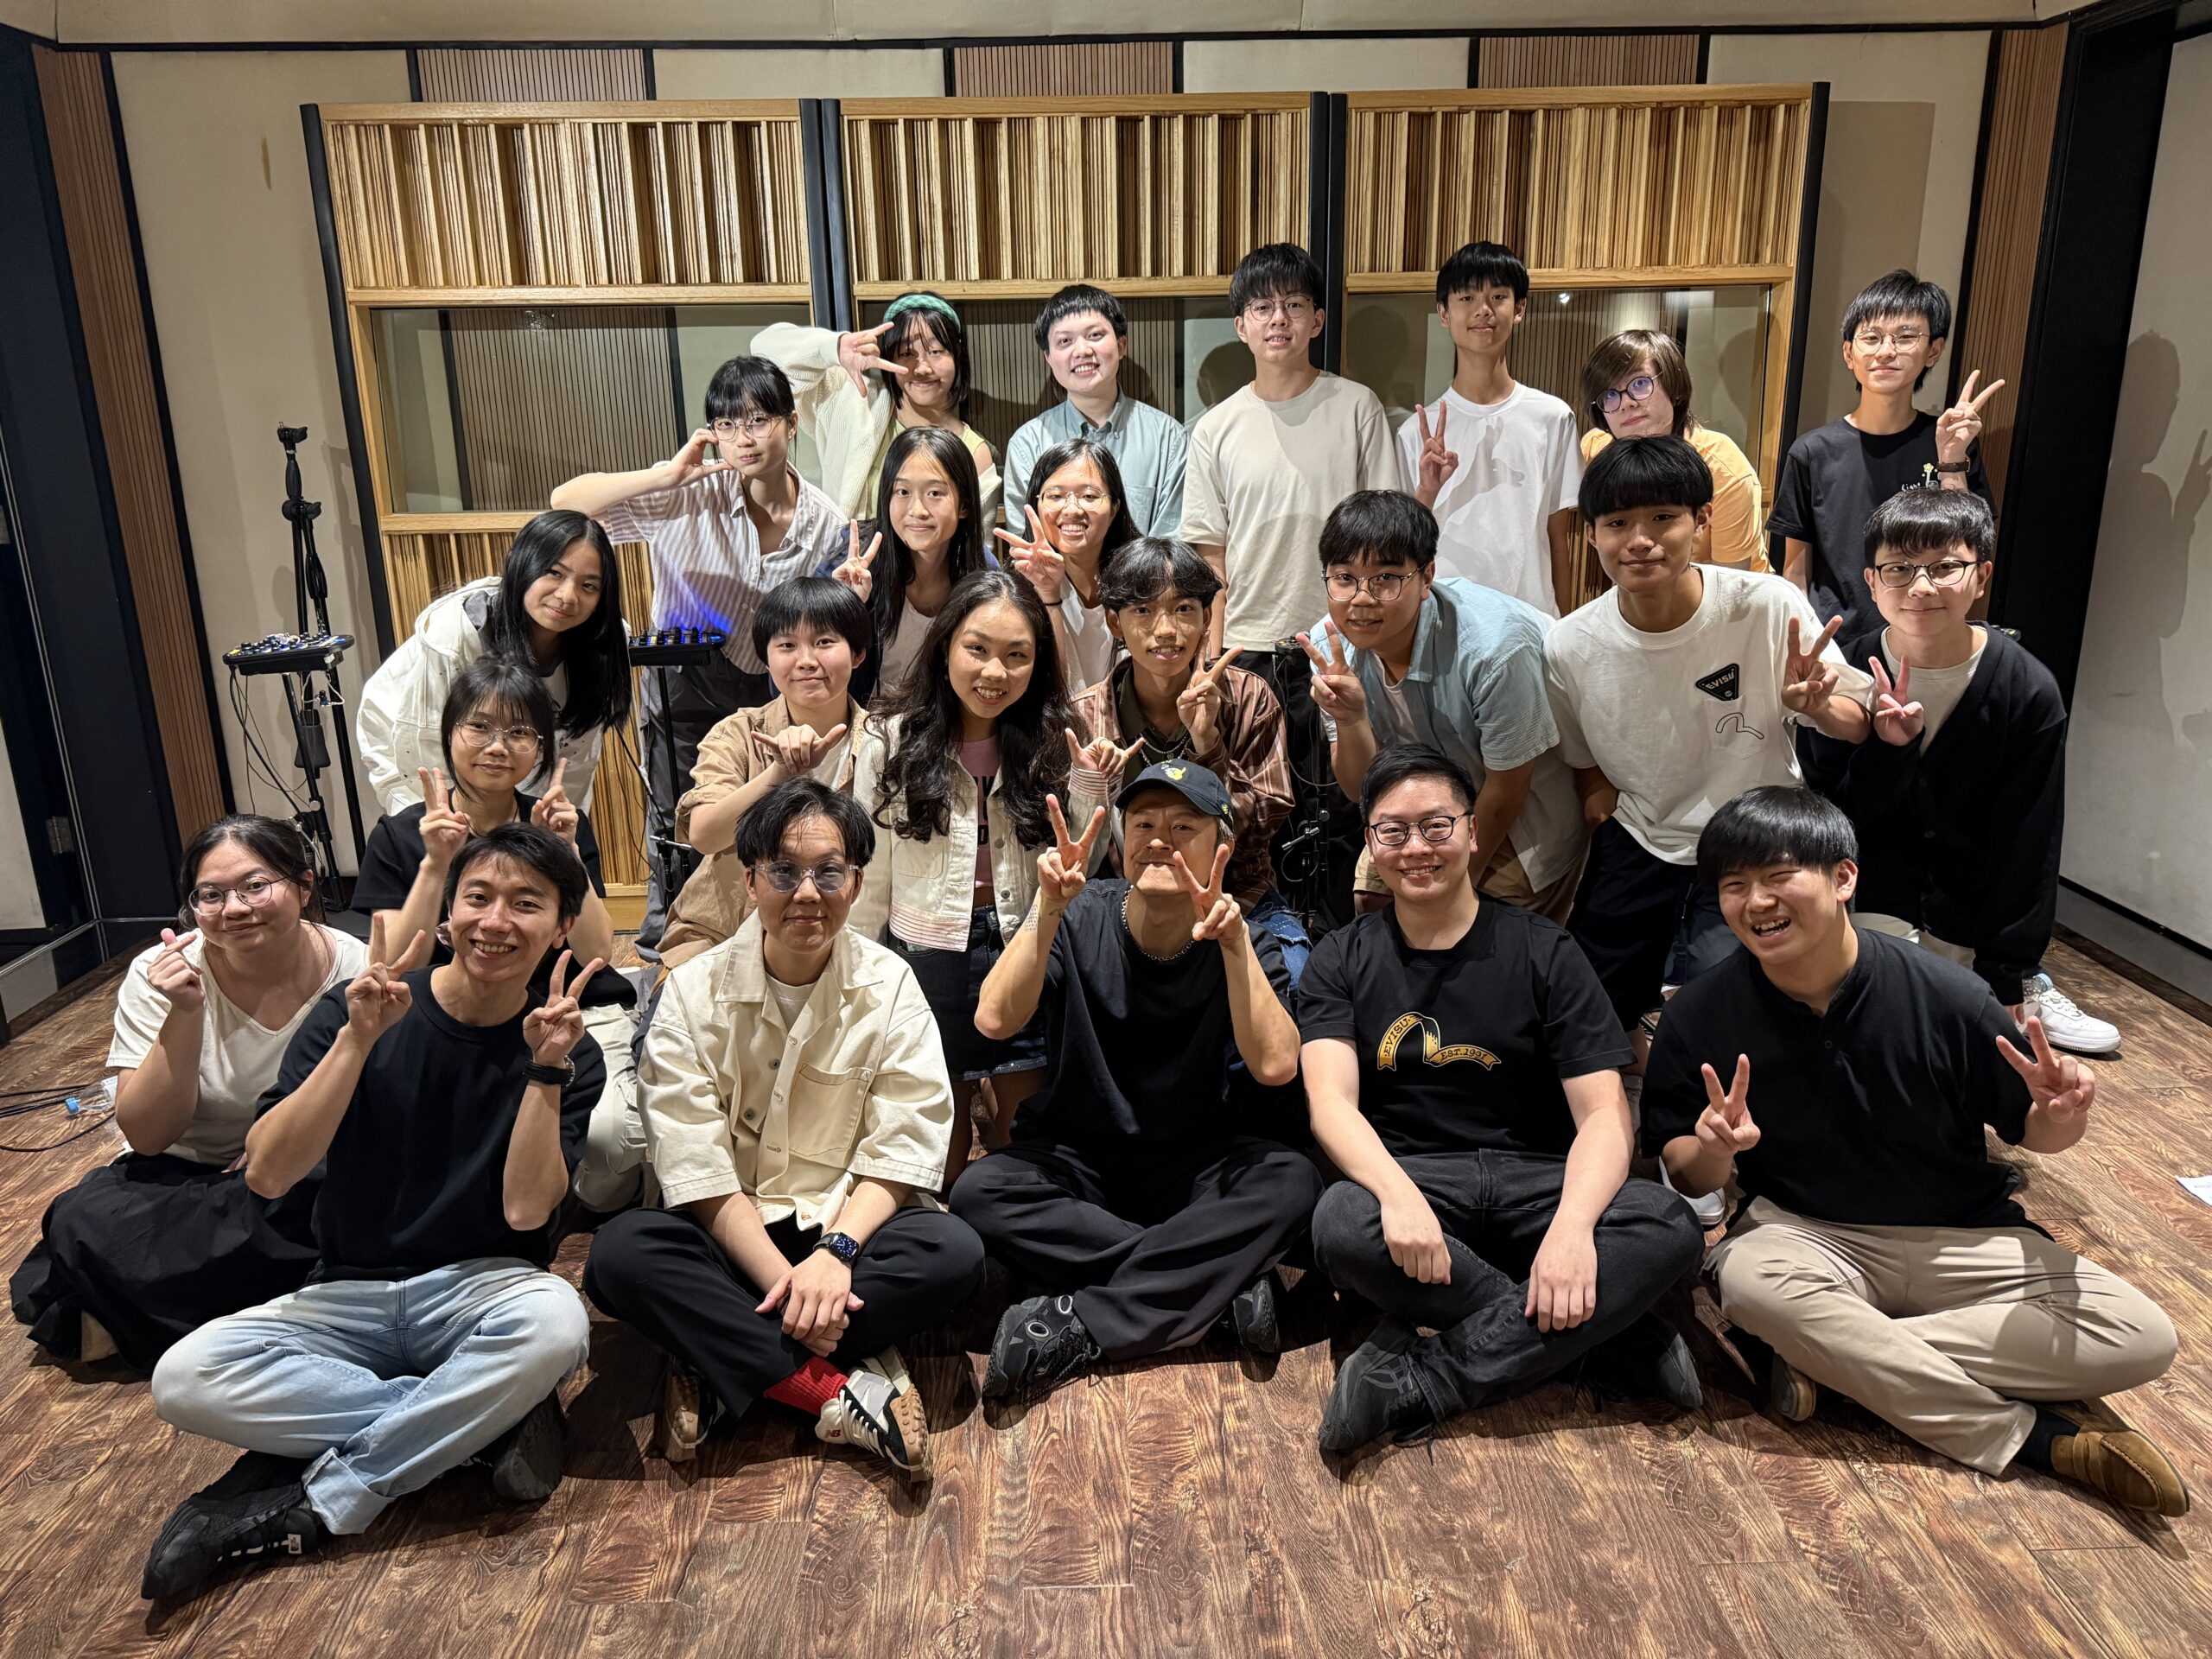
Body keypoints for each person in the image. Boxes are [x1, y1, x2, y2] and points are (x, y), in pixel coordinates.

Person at [1644, 787, 2186, 1516]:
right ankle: (2039, 1439)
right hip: (1807, 1236)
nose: (1756, 902)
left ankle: (1829, 1358)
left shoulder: (1949, 995)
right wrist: (1716, 1149)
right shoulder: (1700, 1012)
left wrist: (2061, 1116)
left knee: (2141, 1336)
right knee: (1751, 1282)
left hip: (1965, 1238)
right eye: (1733, 885)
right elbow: (1684, 1172)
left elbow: (2035, 1133)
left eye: (1778, 876)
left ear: (1844, 878)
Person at [143, 829, 610, 1599]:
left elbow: (528, 1213)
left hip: (484, 1289)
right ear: (449, 913)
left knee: (557, 1324)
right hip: (345, 1292)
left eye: (526, 904)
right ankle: (481, 1424)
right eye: (478, 897)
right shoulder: (359, 1008)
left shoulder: (567, 1049)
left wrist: (545, 1069)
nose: (496, 921)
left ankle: (321, 1499)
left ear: (562, 927)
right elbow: (268, 1173)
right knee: (184, 1378)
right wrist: (356, 1042)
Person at [1301, 747, 1704, 1454]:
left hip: (1537, 1185)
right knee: (1340, 1220)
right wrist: (1396, 1195)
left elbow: (1605, 1113)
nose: (1416, 847)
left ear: (1472, 830)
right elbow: (1331, 1104)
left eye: (1436, 825)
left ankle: (1427, 1379)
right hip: (1420, 1186)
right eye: (1393, 831)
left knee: (1667, 1222)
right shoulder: (1341, 956)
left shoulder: (1545, 950)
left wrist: (1573, 1229)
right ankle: (1608, 1339)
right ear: (1370, 843)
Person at [583, 779, 983, 1478]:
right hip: (731, 1235)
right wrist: (790, 1284)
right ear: (749, 881)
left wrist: (835, 1254)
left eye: (828, 872)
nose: (807, 893)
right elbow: (696, 1166)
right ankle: (835, 1388)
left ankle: (717, 1357)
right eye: (783, 872)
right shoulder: (692, 992)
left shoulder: (891, 985)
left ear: (856, 883)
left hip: (845, 1230)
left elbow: (904, 1141)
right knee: (620, 1256)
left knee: (954, 1251)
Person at [950, 761, 1320, 1398]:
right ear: (1121, 844)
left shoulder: (1243, 937)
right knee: (979, 1192)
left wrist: (1234, 946)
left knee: (1293, 1181)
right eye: (1143, 825)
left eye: (1183, 827)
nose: (1159, 841)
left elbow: (1277, 1065)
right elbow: (993, 1019)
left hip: (1193, 1163)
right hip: (1079, 1160)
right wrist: (1045, 908)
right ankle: (1216, 1288)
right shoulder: (1078, 914)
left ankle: (1086, 1321)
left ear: (1222, 847)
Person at [1544, 436, 1872, 1053]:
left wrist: (1817, 706)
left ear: (1702, 520)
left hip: (1756, 835)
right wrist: (1598, 803)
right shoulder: (1569, 644)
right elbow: (1581, 756)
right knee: (1591, 1001)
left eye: (1663, 517)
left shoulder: (1766, 605)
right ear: (1591, 535)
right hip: (1644, 831)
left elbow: (1857, 724)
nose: (1641, 540)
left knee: (1740, 1005)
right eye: (1618, 523)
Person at [11, 817, 365, 1373]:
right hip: (188, 1177)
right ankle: (296, 1309)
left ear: (303, 886)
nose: (235, 908)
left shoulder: (354, 967)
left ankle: (147, 1312)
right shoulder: (159, 975)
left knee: (338, 1205)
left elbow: (380, 1096)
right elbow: (148, 1136)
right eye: (211, 895)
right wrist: (185, 1011)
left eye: (256, 886)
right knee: (84, 1216)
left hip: (304, 1170)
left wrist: (276, 1141)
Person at [1808, 487, 2118, 1053]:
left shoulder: (2025, 688)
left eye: (1946, 567)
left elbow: (2029, 842)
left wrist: (2008, 970)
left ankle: (2022, 987)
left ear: (1982, 576)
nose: (1921, 587)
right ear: (1872, 581)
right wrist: (1889, 752)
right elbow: (1833, 820)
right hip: (1864, 901)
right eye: (1899, 568)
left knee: (1961, 1056)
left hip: (1969, 910)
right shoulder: (1844, 669)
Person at [550, 356, 846, 943]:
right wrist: (663, 476)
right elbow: (565, 502)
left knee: (768, 813)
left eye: (758, 420)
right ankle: (668, 943)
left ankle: (761, 936)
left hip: (771, 688)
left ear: (791, 424)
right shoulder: (686, 493)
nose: (744, 438)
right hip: (681, 677)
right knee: (676, 814)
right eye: (727, 424)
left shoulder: (824, 522)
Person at [352, 660, 642, 1211]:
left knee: (610, 1155)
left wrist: (565, 852)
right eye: (479, 727)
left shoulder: (558, 824)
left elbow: (598, 954)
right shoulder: (402, 834)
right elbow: (391, 964)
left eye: (519, 732)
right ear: (449, 734)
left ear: (540, 749)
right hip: (450, 1017)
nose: (498, 746)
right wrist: (436, 865)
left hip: (559, 1012)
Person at [849, 569, 1077, 1178]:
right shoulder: (888, 739)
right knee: (934, 1162)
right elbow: (869, 879)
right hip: (925, 956)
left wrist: (1091, 783)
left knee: (1023, 1147)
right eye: (977, 649)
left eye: (1017, 655)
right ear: (946, 644)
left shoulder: (1054, 739)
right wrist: (858, 978)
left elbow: (1077, 857)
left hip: (1020, 951)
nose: (994, 672)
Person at [1299, 491, 1585, 924]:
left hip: (1521, 814)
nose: (1361, 599)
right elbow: (1360, 789)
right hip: (1424, 805)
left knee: (1489, 933)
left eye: (1385, 578)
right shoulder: (1330, 648)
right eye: (1344, 578)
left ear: (1427, 576)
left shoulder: (1493, 650)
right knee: (1373, 907)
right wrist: (1351, 718)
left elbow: (1508, 786)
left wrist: (1456, 887)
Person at [1063, 537, 1304, 979]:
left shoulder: (1249, 697)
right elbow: (1079, 850)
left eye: (1184, 609)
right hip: (1126, 907)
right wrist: (1094, 786)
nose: (1166, 630)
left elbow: (1259, 830)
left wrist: (1207, 743)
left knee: (1295, 983)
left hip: (1239, 899)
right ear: (1115, 623)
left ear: (1207, 617)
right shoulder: (1085, 717)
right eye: (1143, 610)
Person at [1181, 242, 1400, 666]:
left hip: (1341, 637)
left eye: (1294, 304)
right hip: (1244, 641)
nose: (1278, 318)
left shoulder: (1357, 407)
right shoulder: (1214, 428)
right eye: (1262, 307)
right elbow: (1211, 557)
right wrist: (1210, 656)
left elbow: (1385, 530)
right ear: (1241, 326)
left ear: (1317, 320)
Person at [658, 575, 882, 972]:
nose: (806, 660)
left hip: (841, 943)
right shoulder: (738, 733)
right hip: (720, 938)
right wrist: (780, 773)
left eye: (824, 642)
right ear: (766, 658)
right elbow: (705, 836)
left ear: (858, 653)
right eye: (787, 645)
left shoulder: (886, 741)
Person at [1767, 270, 1999, 632]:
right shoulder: (1812, 451)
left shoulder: (1949, 442)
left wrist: (1952, 460)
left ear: (1933, 351)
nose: (1886, 351)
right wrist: (1802, 642)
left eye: (1906, 337)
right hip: (1836, 642)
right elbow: (1796, 571)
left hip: (1924, 636)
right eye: (1871, 338)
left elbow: (1969, 550)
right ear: (1849, 353)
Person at [357, 510, 632, 815]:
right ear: (522, 565)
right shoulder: (459, 633)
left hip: (504, 746)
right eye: (554, 573)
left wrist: (554, 829)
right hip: (407, 742)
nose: (567, 595)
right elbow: (428, 743)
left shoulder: (602, 644)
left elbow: (574, 759)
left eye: (588, 586)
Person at [1400, 240, 1583, 617]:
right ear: (1443, 313)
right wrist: (1426, 491)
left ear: (1519, 309)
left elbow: (1558, 539)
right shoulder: (1414, 432)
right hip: (1441, 622)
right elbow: (1403, 546)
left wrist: (1563, 631)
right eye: (1467, 297)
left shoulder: (1553, 417)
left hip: (1531, 620)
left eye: (1498, 296)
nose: (1483, 309)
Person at [755, 294, 1001, 524]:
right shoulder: (851, 402)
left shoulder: (974, 453)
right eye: (906, 353)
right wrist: (834, 348)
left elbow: (979, 546)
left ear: (957, 356)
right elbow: (763, 351)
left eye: (936, 352)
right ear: (889, 357)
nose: (923, 368)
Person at [826, 424, 995, 706]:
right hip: (863, 724)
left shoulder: (981, 570)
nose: (917, 510)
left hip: (945, 724)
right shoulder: (853, 559)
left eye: (935, 493)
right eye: (902, 491)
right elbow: (794, 676)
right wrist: (842, 606)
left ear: (964, 505)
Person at [1003, 283, 1187, 540]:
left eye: (1095, 335)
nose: (1082, 351)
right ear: (1049, 358)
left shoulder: (1168, 439)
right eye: (1065, 341)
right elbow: (1028, 544)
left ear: (1121, 346)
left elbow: (1170, 546)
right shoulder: (1028, 443)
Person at [1579, 328, 1769, 574]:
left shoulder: (1723, 469)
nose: (1627, 403)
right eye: (1610, 395)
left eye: (1639, 384)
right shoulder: (1595, 450)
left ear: (1674, 388)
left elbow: (1731, 582)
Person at [995, 435, 1141, 695]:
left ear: (1114, 508)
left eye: (1089, 495)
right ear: (1037, 506)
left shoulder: (1143, 580)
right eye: (1056, 496)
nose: (1072, 509)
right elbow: (1044, 691)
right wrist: (1048, 592)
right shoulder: (1015, 588)